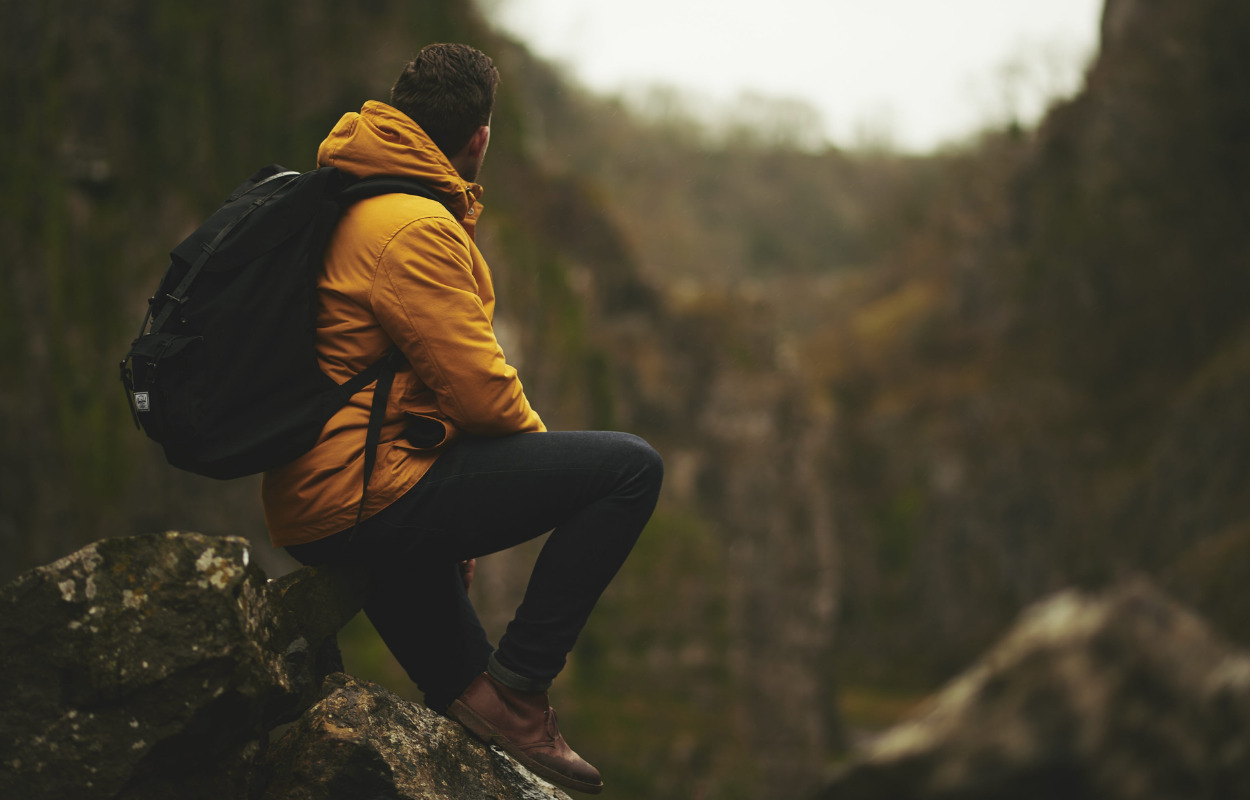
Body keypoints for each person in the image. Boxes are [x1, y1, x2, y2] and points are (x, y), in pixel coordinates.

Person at [261, 43, 663, 795]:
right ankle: (525, 686)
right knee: (629, 469)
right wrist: (521, 486)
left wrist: (460, 503)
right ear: (478, 137)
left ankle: (501, 707)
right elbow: (481, 391)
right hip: (360, 496)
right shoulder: (412, 225)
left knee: (472, 712)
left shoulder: (348, 196)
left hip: (328, 497)